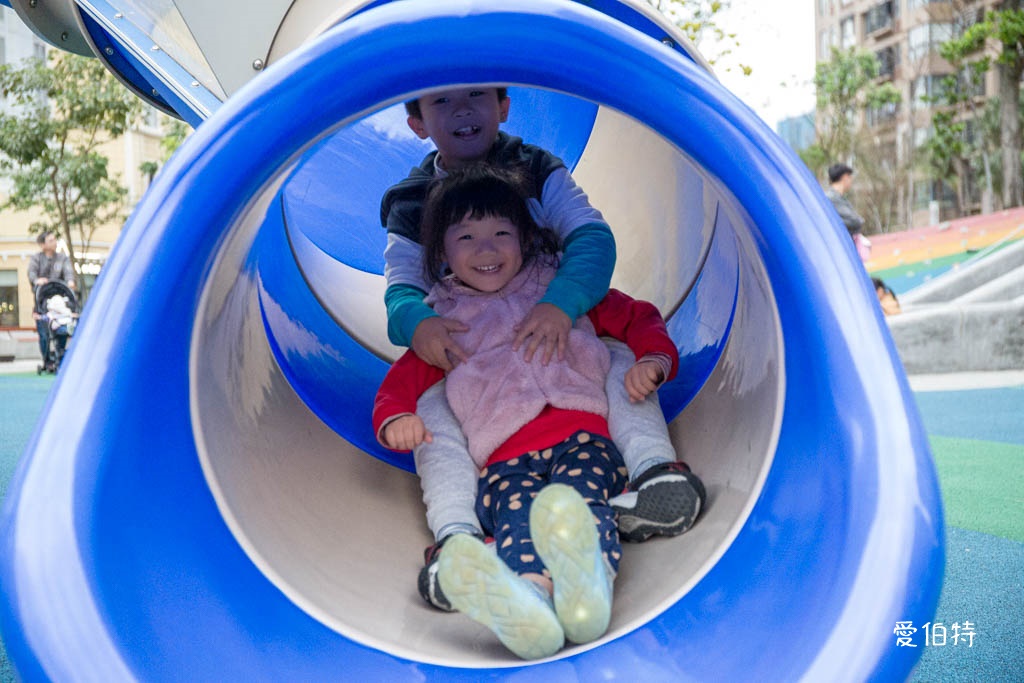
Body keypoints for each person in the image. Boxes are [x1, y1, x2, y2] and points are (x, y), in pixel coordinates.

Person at [380, 86, 706, 610]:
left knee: (615, 358)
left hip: (564, 359)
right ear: (417, 122)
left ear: (504, 106)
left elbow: (593, 242)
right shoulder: (411, 203)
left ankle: (647, 473)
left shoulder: (534, 168)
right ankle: (468, 545)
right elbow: (400, 294)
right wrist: (421, 327)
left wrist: (561, 303)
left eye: (476, 95)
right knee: (438, 408)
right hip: (493, 413)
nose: (462, 109)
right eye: (441, 101)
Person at [27, 231, 76, 368]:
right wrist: (37, 280)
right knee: (44, 334)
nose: (55, 242)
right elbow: (31, 273)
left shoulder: (62, 258)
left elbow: (68, 273)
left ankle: (60, 356)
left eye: (55, 239)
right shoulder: (36, 259)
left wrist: (70, 281)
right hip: (42, 302)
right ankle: (47, 360)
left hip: (60, 302)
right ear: (43, 245)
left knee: (62, 329)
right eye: (51, 240)